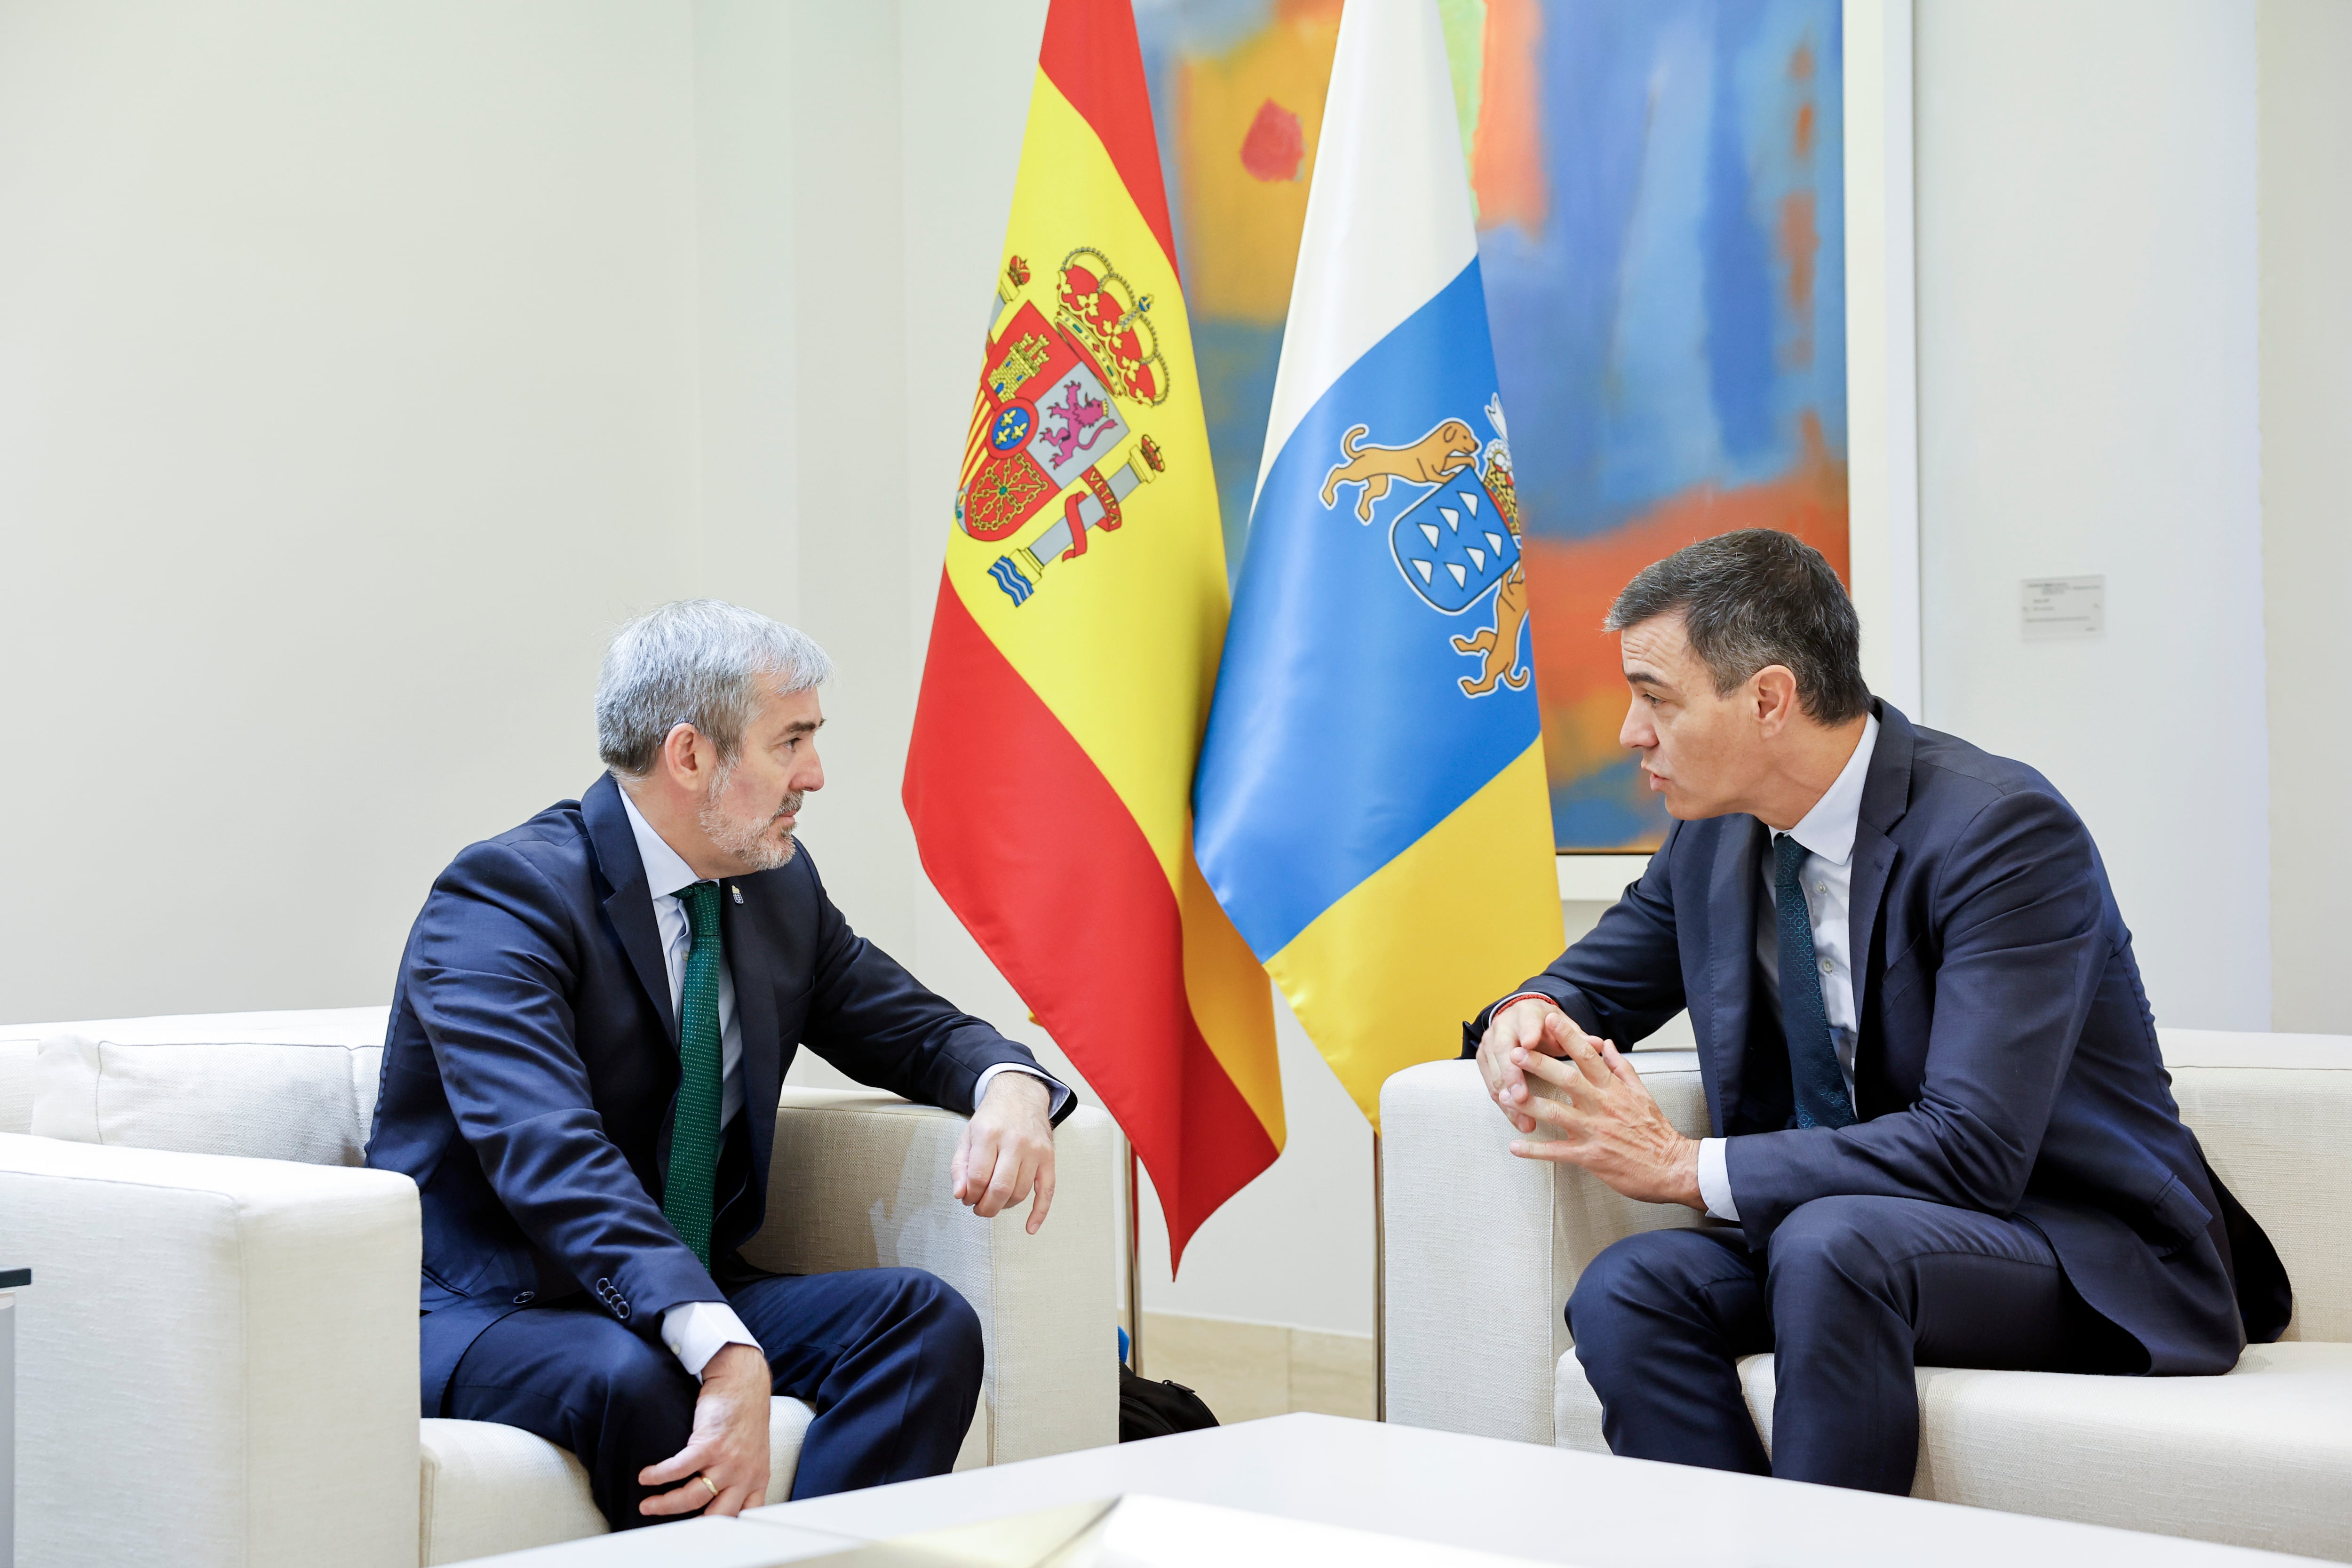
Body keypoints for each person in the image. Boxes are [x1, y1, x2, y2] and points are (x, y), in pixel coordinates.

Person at [1469, 530, 2289, 1495]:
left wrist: (1685, 1165)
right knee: (1627, 1288)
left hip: (2071, 1242)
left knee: (1831, 1244)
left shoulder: (2001, 832)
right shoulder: (1712, 842)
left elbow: (1975, 1148)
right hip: (1855, 1237)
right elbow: (1585, 987)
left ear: (1769, 698)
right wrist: (1526, 1015)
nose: (1627, 733)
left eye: (1654, 697)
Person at [366, 599, 1072, 1528]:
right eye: (791, 741)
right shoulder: (504, 895)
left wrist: (1010, 1082)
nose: (815, 775)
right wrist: (721, 1347)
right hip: (500, 1296)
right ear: (691, 754)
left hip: (686, 1276)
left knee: (922, 1322)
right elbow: (550, 1150)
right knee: (632, 1378)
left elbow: (912, 1028)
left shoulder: (776, 887)